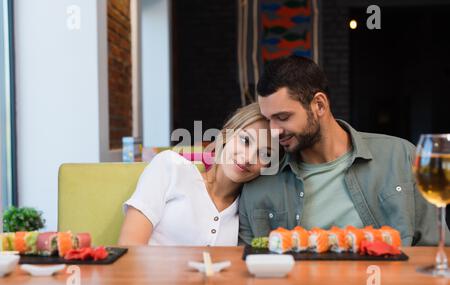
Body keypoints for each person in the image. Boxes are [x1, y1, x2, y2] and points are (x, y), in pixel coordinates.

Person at [238, 55, 450, 246]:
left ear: (319, 105)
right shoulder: (260, 181)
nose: (273, 131)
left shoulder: (401, 156)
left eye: (283, 118)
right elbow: (248, 268)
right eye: (268, 120)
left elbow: (434, 249)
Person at [118, 103, 273, 246]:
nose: (248, 158)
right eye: (245, 140)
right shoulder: (171, 167)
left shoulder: (248, 211)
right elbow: (130, 246)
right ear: (226, 135)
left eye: (265, 154)